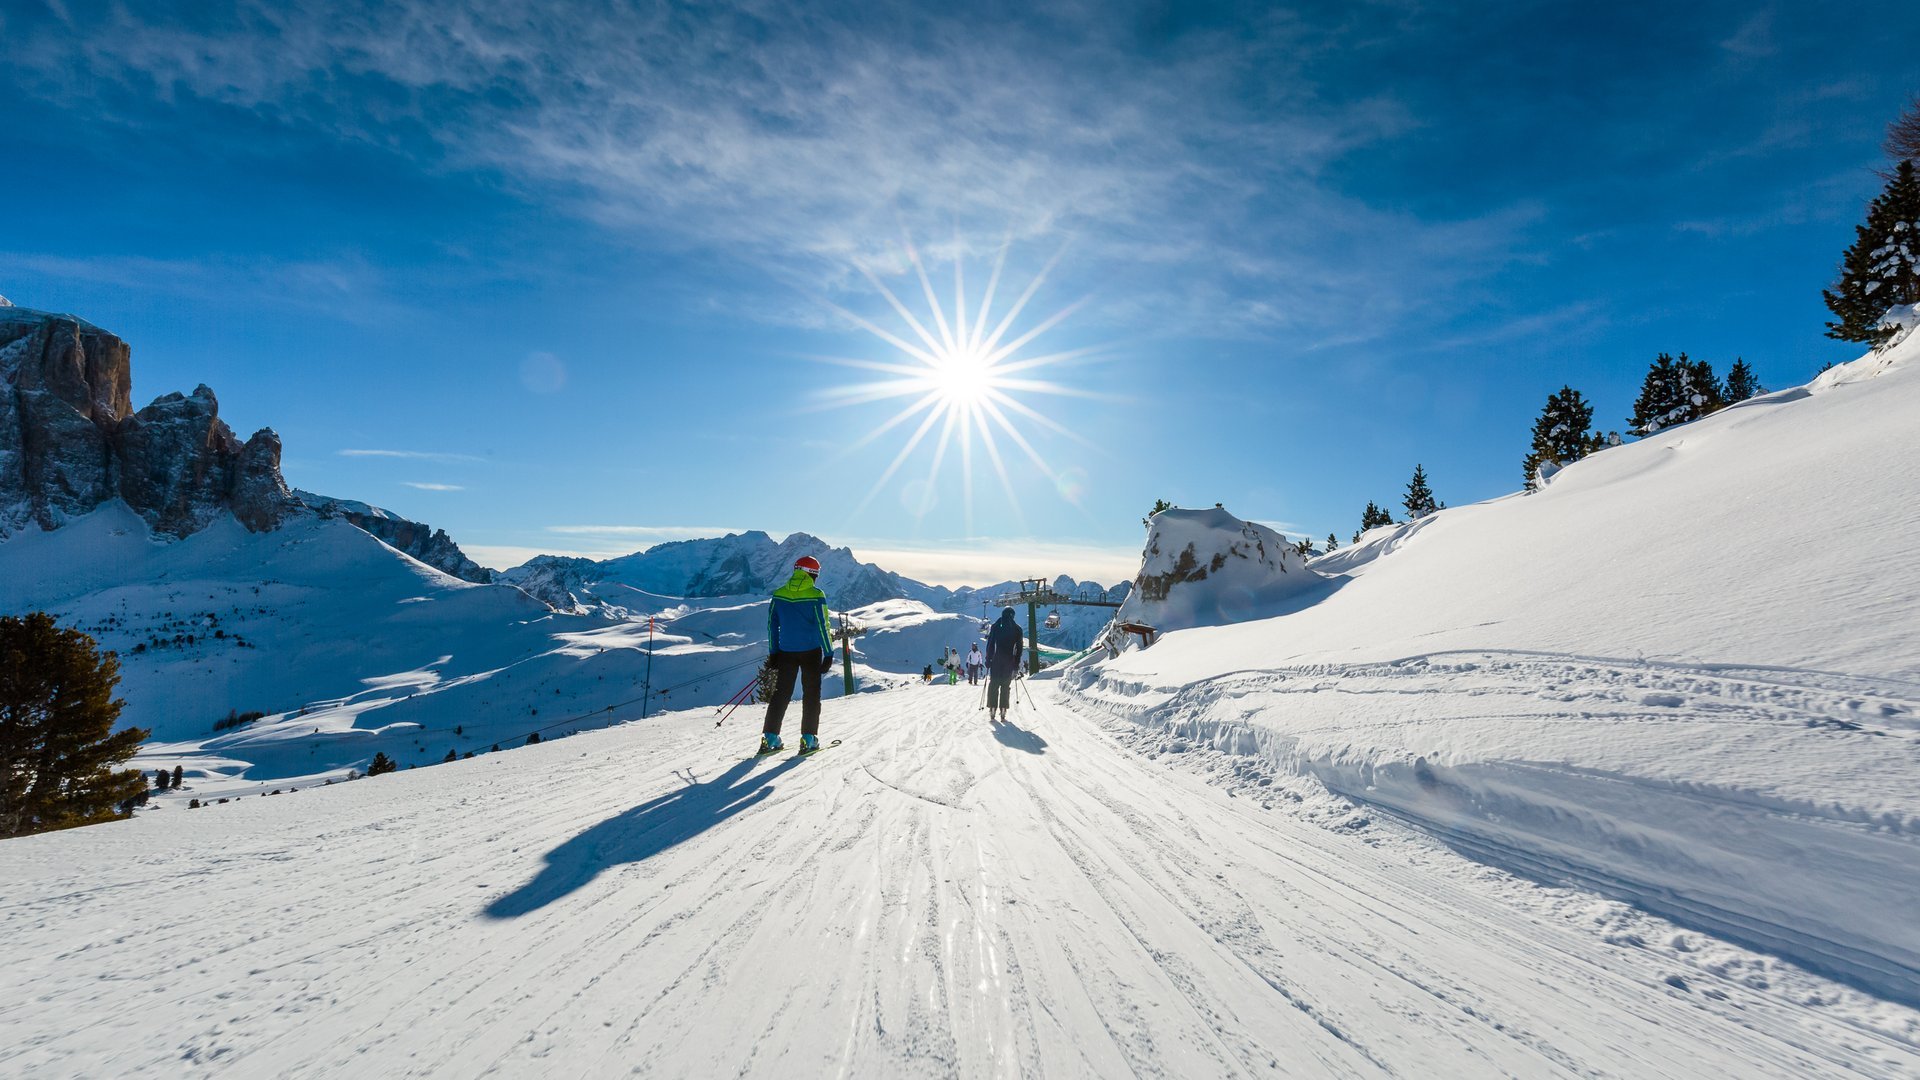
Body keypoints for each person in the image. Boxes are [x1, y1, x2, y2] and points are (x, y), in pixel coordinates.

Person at [759, 555, 835, 755]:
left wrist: (774, 652)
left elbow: (772, 625)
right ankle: (808, 739)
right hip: (811, 652)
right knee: (811, 694)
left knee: (781, 694)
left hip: (786, 652)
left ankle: (770, 738)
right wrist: (828, 653)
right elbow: (822, 625)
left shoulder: (779, 594)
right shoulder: (817, 594)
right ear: (812, 574)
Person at [985, 607, 1023, 722]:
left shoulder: (995, 626)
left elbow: (990, 644)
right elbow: (1019, 649)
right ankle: (1003, 709)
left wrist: (988, 659)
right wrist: (1016, 663)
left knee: (994, 684)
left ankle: (992, 708)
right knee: (1005, 685)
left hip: (996, 660)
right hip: (1009, 661)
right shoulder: (1017, 629)